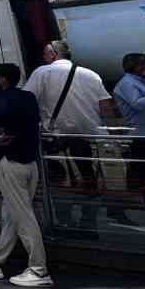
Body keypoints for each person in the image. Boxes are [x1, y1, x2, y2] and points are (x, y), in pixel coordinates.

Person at [22, 40, 113, 235]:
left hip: (58, 142)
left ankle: (64, 226)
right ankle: (89, 226)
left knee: (59, 185)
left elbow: (26, 101)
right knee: (90, 184)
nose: (44, 57)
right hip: (90, 141)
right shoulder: (91, 74)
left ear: (53, 54)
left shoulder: (42, 73)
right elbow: (106, 106)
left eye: (46, 54)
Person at [0, 63, 52, 287]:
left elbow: (2, 133)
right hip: (31, 163)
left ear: (2, 79)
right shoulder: (29, 96)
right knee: (12, 214)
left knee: (23, 216)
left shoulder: (1, 98)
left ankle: (39, 270)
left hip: (9, 162)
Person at [111, 52, 145, 224]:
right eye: (143, 65)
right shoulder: (127, 83)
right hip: (141, 137)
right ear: (136, 66)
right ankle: (118, 208)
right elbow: (137, 104)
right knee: (142, 177)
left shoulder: (141, 82)